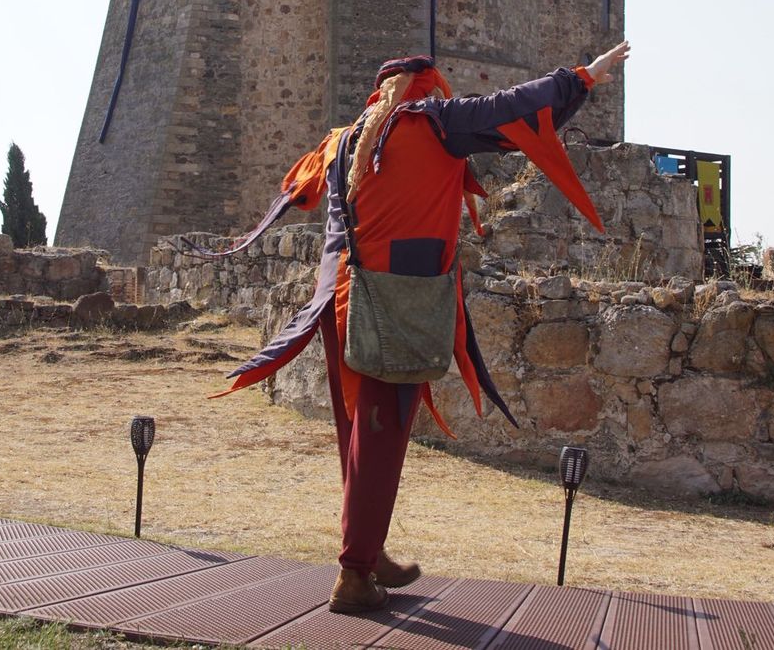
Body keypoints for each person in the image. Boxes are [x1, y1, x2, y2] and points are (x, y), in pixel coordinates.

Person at [204, 41, 631, 612]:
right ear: (426, 88)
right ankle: (355, 576)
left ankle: (367, 550)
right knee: (380, 441)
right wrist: (583, 76)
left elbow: (296, 188)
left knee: (360, 438)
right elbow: (517, 107)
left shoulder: (342, 141)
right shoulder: (433, 123)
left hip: (337, 303)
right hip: (394, 304)